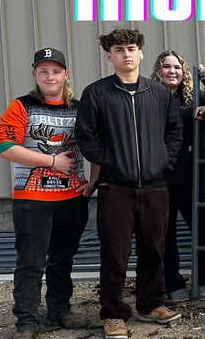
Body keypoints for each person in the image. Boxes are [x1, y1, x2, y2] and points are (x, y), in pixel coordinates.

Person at [75, 28, 184, 339]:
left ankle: (150, 305)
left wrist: (165, 162)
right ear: (110, 55)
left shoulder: (160, 93)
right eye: (119, 49)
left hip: (155, 186)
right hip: (115, 188)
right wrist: (109, 163)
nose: (126, 53)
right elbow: (86, 136)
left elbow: (174, 132)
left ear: (141, 53)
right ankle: (113, 313)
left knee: (154, 249)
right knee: (115, 252)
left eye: (131, 48)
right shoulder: (96, 93)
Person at [0, 48, 94, 339]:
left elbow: (97, 147)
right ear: (34, 74)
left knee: (63, 258)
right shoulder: (21, 106)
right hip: (32, 199)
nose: (50, 77)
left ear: (65, 74)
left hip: (71, 198)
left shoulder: (80, 108)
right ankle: (26, 321)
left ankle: (59, 311)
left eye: (55, 71)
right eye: (43, 71)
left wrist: (94, 182)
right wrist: (52, 160)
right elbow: (4, 146)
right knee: (30, 260)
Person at [151, 51, 205, 302]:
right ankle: (172, 281)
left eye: (177, 67)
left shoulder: (194, 96)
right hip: (162, 177)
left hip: (196, 176)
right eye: (166, 66)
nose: (172, 71)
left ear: (184, 73)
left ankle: (204, 279)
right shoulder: (149, 98)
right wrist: (189, 114)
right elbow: (161, 123)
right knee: (165, 233)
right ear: (158, 71)